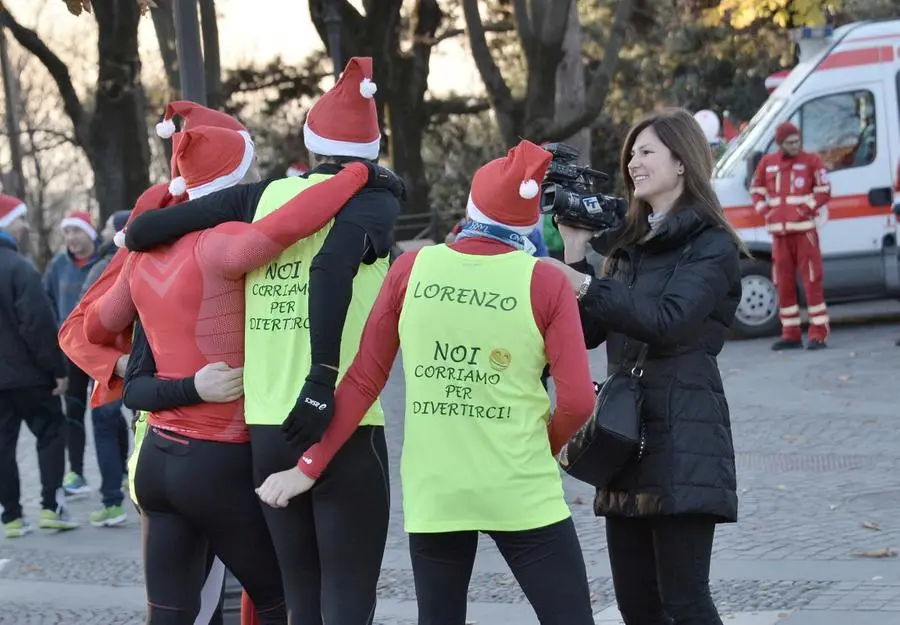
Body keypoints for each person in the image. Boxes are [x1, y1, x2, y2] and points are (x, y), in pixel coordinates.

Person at [257, 139, 598, 625]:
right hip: (520, 485)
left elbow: (362, 379)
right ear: (528, 223)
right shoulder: (544, 280)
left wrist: (307, 467)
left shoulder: (413, 268)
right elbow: (579, 401)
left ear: (471, 208)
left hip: (437, 488)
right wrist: (542, 446)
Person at [83, 118, 401, 625]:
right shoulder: (226, 241)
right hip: (220, 456)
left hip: (156, 462)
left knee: (172, 612)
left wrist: (152, 359)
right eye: (249, 165)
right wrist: (357, 178)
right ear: (236, 174)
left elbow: (97, 325)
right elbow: (289, 227)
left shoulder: (142, 259)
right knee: (285, 600)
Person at [59, 101, 261, 625]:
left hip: (217, 447)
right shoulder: (154, 232)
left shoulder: (201, 227)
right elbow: (83, 329)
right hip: (182, 439)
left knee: (205, 601)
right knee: (214, 602)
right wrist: (141, 370)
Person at [541, 108, 741, 625]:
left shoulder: (711, 246)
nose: (633, 161)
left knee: (685, 602)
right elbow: (587, 334)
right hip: (623, 439)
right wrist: (580, 255)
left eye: (646, 150)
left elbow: (670, 321)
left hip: (682, 438)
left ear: (682, 162)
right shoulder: (630, 245)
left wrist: (583, 283)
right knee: (637, 608)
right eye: (631, 151)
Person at [0, 195, 80, 537]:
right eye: (20, 219)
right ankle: (51, 507)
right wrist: (57, 370)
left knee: (1, 445)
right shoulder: (20, 268)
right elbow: (36, 323)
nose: (25, 226)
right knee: (51, 433)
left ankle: (12, 516)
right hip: (31, 376)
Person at [750, 121, 831, 350]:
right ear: (780, 143)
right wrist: (766, 211)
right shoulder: (768, 163)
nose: (796, 146)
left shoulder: (812, 161)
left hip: (805, 233)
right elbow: (756, 191)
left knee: (812, 282)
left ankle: (818, 334)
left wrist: (802, 210)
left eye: (797, 141)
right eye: (790, 142)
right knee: (783, 284)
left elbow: (824, 191)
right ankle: (791, 334)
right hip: (780, 236)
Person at [80, 209, 132, 526]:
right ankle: (131, 479)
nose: (100, 232)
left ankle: (112, 500)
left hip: (108, 365)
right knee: (136, 425)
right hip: (146, 363)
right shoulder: (152, 259)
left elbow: (84, 318)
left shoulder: (104, 268)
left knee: (104, 429)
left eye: (106, 228)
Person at [44, 210, 102, 496]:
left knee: (107, 411)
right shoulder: (57, 266)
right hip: (70, 351)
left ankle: (120, 466)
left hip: (102, 349)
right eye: (67, 232)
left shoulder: (104, 262)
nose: (71, 238)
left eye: (76, 231)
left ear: (89, 234)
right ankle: (76, 472)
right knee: (74, 411)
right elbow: (47, 303)